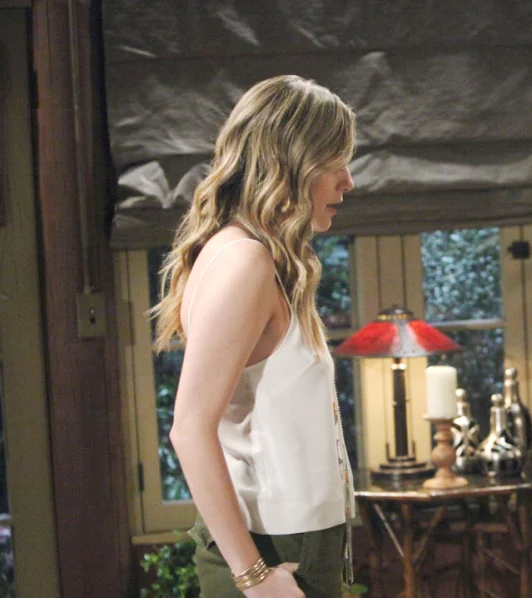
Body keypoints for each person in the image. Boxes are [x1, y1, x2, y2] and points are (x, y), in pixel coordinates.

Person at [151, 75, 358, 597]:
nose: (348, 181)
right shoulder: (245, 260)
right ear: (292, 161)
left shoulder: (253, 256)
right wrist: (254, 577)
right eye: (335, 161)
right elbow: (189, 428)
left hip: (291, 545)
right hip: (274, 551)